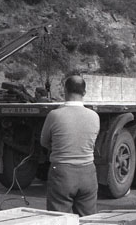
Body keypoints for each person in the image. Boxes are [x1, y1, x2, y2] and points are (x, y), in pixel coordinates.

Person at [40, 75, 100, 216]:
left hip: (62, 173)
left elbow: (44, 141)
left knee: (60, 221)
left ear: (65, 90)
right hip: (88, 173)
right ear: (84, 93)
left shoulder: (54, 115)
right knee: (88, 221)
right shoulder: (94, 116)